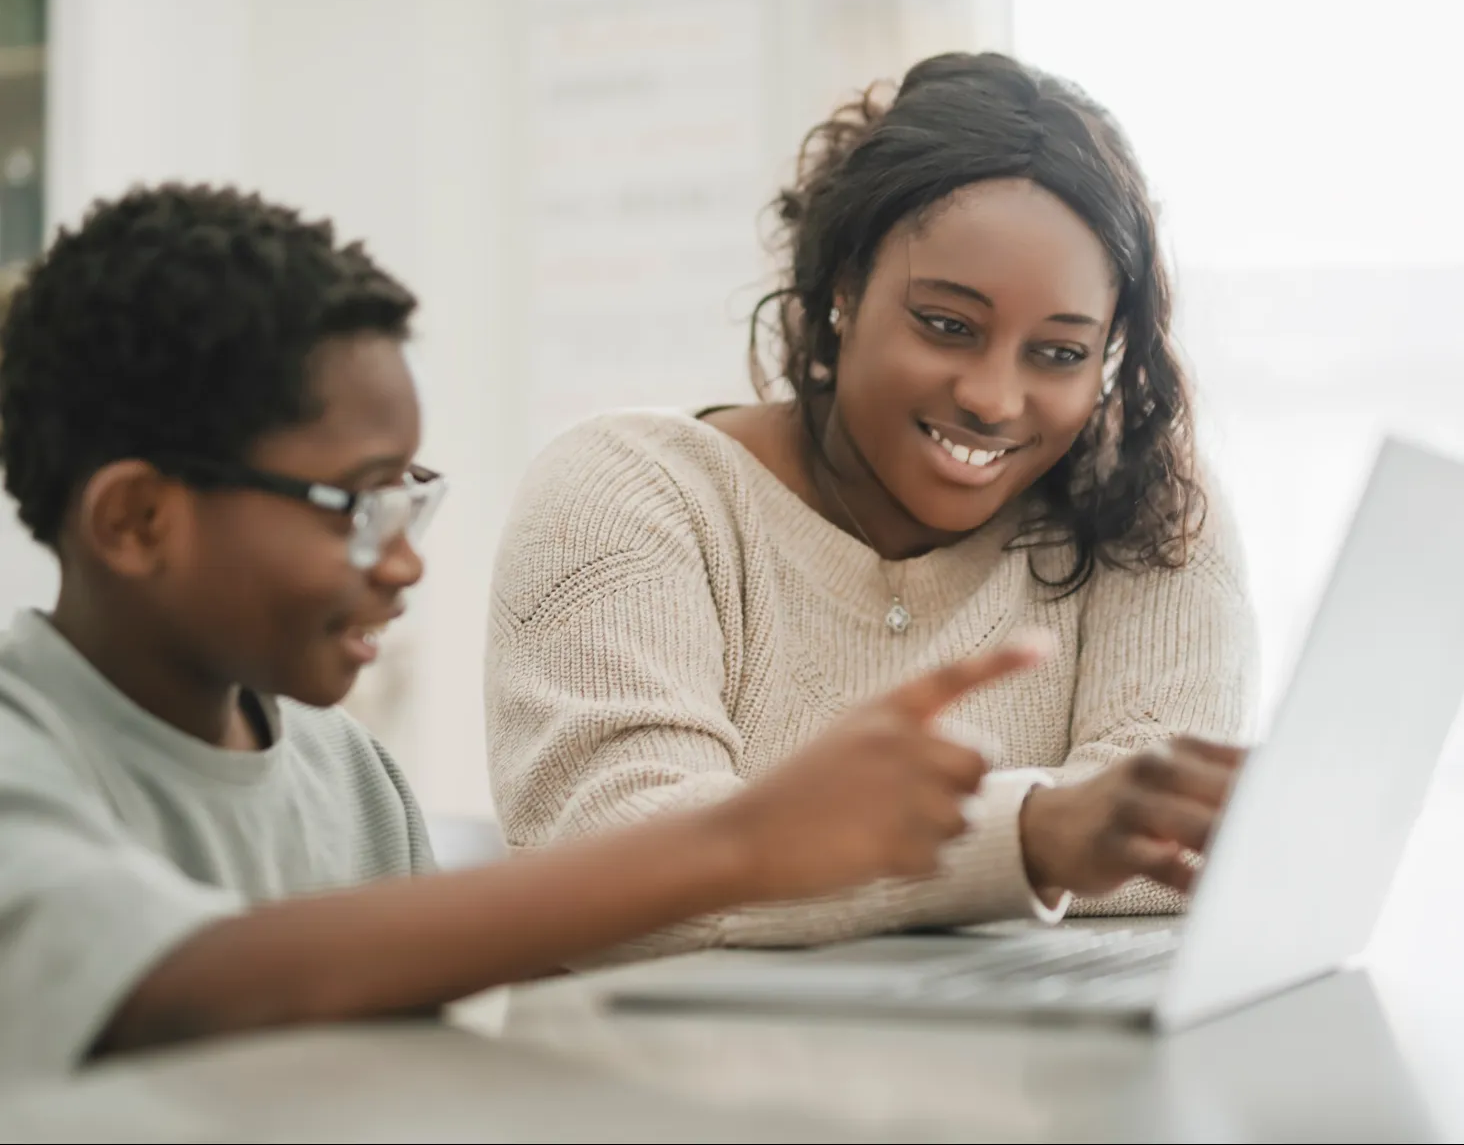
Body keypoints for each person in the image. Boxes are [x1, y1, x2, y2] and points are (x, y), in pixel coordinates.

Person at [0, 184, 1052, 1077]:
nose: (407, 558)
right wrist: (740, 846)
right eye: (360, 505)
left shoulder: (348, 775)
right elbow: (177, 990)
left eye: (410, 498)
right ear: (138, 522)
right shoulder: (22, 752)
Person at [486, 52, 1259, 956]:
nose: (994, 398)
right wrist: (1033, 838)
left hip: (1030, 1082)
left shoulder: (1146, 509)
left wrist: (1047, 845)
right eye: (947, 325)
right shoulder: (626, 493)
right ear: (844, 289)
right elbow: (610, 866)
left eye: (1057, 353)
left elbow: (1162, 846)